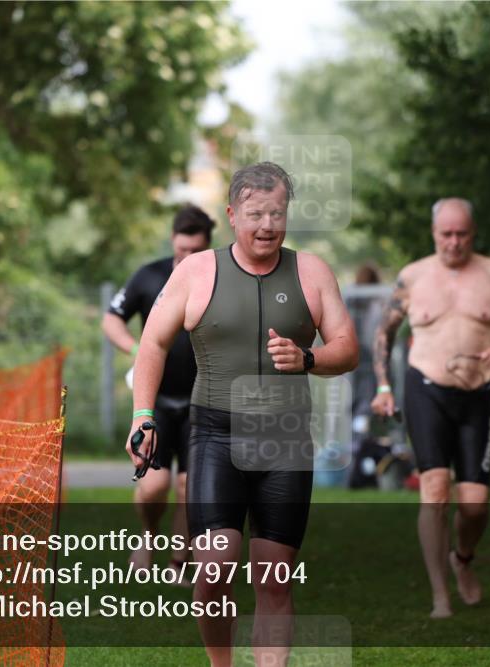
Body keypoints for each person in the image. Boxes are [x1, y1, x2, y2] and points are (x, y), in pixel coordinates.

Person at [126, 162, 358, 667]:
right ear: (232, 215)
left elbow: (348, 348)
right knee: (214, 569)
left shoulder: (312, 271)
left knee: (275, 577)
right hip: (216, 436)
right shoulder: (196, 271)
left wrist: (309, 358)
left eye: (277, 213)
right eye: (256, 213)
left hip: (285, 439)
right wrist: (143, 413)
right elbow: (152, 343)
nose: (268, 225)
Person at [371, 198, 490, 619]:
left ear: (473, 234)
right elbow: (383, 334)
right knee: (435, 493)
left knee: (475, 505)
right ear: (434, 233)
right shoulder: (413, 276)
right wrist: (384, 385)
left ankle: (463, 557)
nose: (454, 242)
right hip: (426, 390)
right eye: (446, 234)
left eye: (462, 234)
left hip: (477, 395)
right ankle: (440, 595)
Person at [103, 205, 215, 576]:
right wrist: (136, 350)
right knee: (154, 487)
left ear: (208, 246)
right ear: (173, 242)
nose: (187, 258)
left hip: (202, 400)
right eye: (182, 250)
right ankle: (148, 535)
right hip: (157, 402)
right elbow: (112, 317)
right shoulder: (149, 277)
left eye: (196, 251)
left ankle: (179, 562)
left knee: (188, 486)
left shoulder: (219, 281)